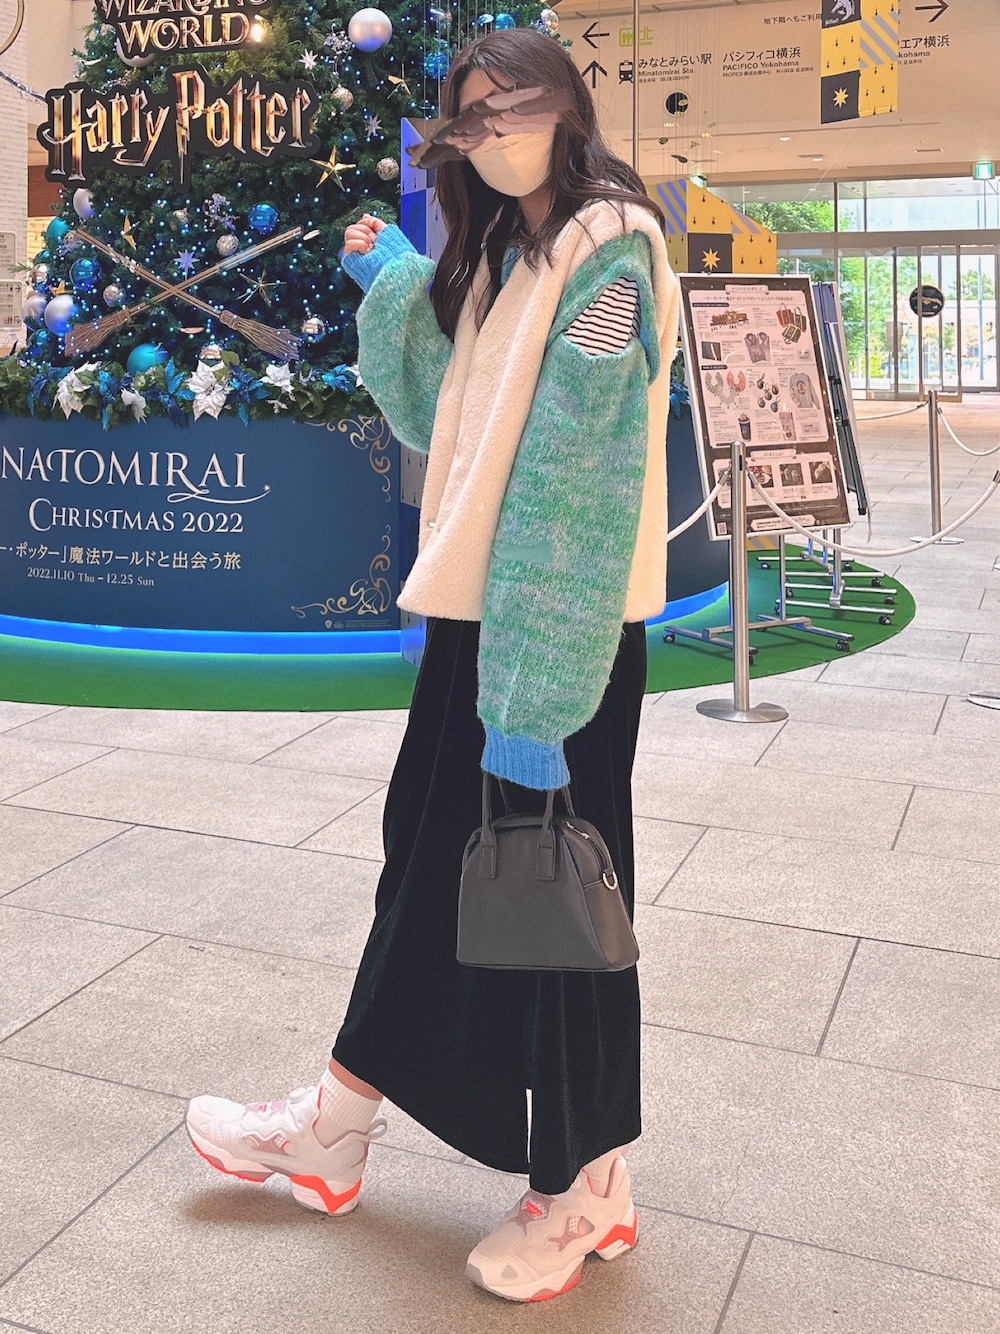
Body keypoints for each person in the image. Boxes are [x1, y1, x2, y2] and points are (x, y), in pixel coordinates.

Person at [185, 27, 679, 1304]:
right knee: (428, 867)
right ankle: (336, 1124)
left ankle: (585, 1184)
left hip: (552, 633)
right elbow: (451, 419)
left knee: (556, 900)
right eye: (473, 112)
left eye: (517, 102)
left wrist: (536, 690)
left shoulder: (608, 247)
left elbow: (579, 476)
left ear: (570, 106)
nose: (496, 128)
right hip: (487, 622)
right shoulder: (516, 250)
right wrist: (402, 279)